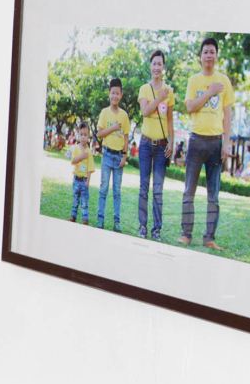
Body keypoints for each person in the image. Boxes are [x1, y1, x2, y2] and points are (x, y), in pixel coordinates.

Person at [181, 37, 233, 250]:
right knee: (189, 192)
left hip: (215, 143)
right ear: (200, 56)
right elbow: (190, 107)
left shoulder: (224, 81)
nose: (209, 55)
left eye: (212, 51)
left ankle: (209, 237)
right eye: (206, 52)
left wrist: (226, 143)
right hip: (196, 140)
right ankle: (186, 234)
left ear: (216, 55)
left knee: (214, 195)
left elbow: (228, 115)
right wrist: (210, 92)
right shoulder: (194, 80)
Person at [136, 48, 175, 240]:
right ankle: (142, 226)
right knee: (144, 187)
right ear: (150, 66)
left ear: (163, 67)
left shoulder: (170, 91)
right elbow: (145, 112)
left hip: (161, 147)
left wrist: (172, 142)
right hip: (145, 144)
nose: (157, 67)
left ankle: (156, 229)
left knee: (158, 189)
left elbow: (169, 120)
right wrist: (159, 98)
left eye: (160, 64)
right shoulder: (144, 89)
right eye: (154, 63)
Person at [95, 78, 129, 231]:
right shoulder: (104, 113)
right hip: (107, 155)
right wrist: (114, 128)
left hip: (118, 157)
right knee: (103, 189)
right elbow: (100, 134)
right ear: (109, 94)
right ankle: (100, 220)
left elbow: (126, 137)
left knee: (117, 191)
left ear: (121, 95)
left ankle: (116, 222)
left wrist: (124, 156)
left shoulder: (124, 115)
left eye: (117, 93)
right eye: (112, 93)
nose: (115, 96)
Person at [69, 123, 94, 224]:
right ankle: (73, 216)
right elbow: (73, 161)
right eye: (81, 134)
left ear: (88, 137)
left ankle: (85, 219)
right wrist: (81, 157)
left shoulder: (89, 152)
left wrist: (88, 181)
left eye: (85, 135)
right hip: (76, 180)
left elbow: (90, 168)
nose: (83, 137)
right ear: (78, 135)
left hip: (84, 181)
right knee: (75, 200)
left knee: (84, 202)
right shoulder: (76, 148)